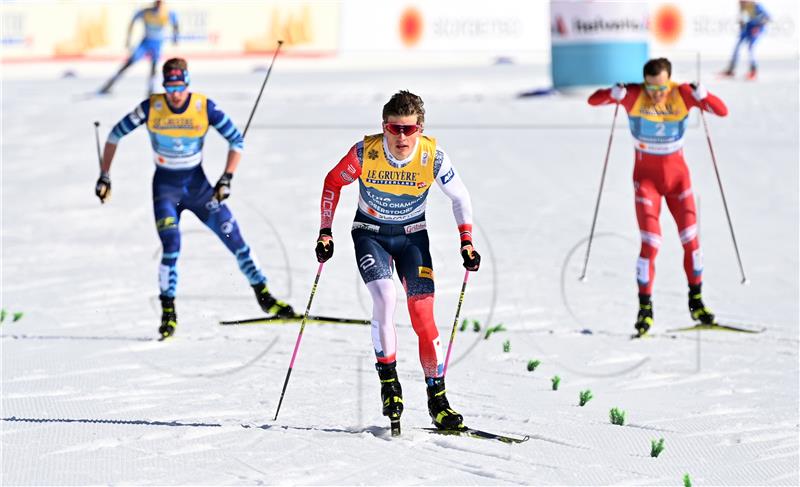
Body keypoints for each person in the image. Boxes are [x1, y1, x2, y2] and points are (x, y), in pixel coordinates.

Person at [315, 91, 481, 430]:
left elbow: (460, 197)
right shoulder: (365, 153)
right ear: (384, 127)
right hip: (369, 233)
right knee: (385, 297)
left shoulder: (433, 157)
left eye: (409, 129)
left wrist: (466, 240)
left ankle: (438, 400)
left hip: (411, 237)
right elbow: (333, 182)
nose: (401, 137)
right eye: (395, 129)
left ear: (420, 128)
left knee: (423, 318)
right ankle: (390, 385)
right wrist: (325, 231)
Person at [95, 58, 294, 339]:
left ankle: (264, 295)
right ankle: (168, 313)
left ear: (188, 83)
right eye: (170, 86)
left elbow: (236, 140)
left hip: (199, 189)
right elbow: (115, 135)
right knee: (172, 246)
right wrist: (105, 174)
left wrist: (227, 177)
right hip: (166, 188)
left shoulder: (203, 107)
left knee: (235, 239)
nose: (175, 93)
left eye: (180, 86)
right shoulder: (152, 107)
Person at [588, 58, 729, 337]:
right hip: (647, 182)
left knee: (691, 240)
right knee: (651, 244)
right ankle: (645, 309)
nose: (656, 94)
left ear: (670, 80)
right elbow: (594, 101)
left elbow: (721, 111)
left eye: (661, 87)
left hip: (679, 181)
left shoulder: (682, 93)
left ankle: (697, 302)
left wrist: (704, 96)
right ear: (644, 82)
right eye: (651, 88)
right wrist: (612, 93)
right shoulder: (633, 94)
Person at [98, 0, 179, 96]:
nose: (159, 5)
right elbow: (133, 20)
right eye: (158, 2)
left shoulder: (168, 13)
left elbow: (176, 25)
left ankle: (151, 89)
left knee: (154, 66)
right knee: (130, 62)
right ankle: (109, 84)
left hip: (157, 44)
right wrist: (128, 38)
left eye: (161, 3)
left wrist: (175, 37)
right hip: (146, 42)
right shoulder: (147, 12)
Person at [722, 1, 771, 80]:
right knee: (737, 47)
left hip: (756, 29)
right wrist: (741, 23)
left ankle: (753, 70)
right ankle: (731, 69)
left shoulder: (756, 6)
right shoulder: (742, 6)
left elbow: (768, 18)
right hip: (748, 28)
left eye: (743, 2)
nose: (741, 3)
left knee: (751, 48)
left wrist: (758, 25)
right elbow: (743, 19)